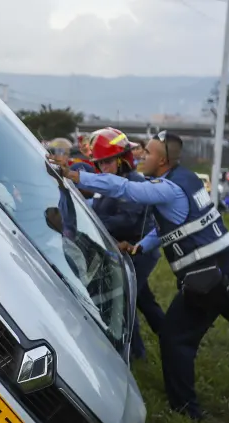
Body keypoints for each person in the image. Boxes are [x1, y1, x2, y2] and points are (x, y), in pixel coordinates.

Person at [51, 131, 229, 420]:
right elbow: (169, 228)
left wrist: (78, 177)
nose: (142, 157)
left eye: (149, 153)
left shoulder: (168, 188)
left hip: (211, 279)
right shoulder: (189, 180)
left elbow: (127, 190)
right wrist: (141, 247)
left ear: (163, 160)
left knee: (175, 338)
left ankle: (185, 413)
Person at [83, 128, 165, 360]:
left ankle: (136, 353)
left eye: (107, 162)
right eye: (98, 164)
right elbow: (95, 205)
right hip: (121, 253)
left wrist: (92, 222)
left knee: (124, 300)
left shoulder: (134, 184)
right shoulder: (109, 182)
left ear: (122, 160)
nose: (102, 169)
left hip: (139, 252)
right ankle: (171, 336)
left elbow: (125, 221)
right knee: (144, 301)